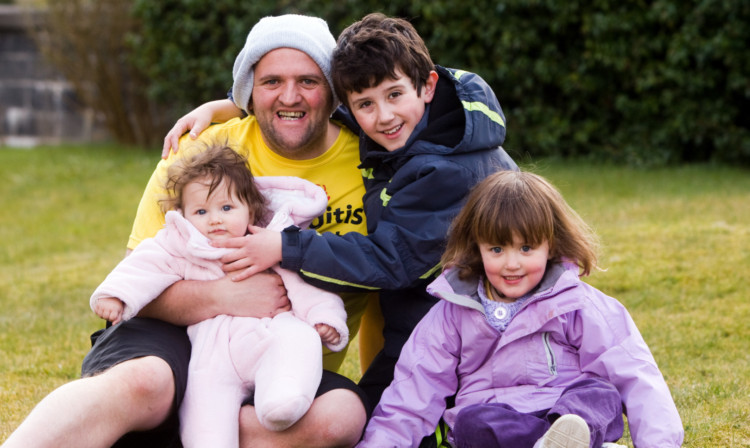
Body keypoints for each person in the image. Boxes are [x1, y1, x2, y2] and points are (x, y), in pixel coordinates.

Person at [2, 14, 368, 448]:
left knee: (342, 416)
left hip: (276, 355)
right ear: (249, 88)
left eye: (308, 80)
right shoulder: (199, 150)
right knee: (146, 381)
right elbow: (140, 275)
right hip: (169, 334)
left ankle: (159, 433)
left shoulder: (372, 163)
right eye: (271, 81)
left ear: (332, 87)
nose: (290, 96)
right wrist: (224, 297)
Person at [165, 13, 519, 413]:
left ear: (427, 86)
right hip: (429, 316)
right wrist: (227, 105)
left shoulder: (445, 169)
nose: (383, 116)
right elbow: (305, 103)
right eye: (365, 104)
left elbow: (392, 259)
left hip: (475, 331)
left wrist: (286, 246)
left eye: (394, 96)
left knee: (386, 423)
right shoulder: (418, 127)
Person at [356, 170, 685, 448]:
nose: (512, 264)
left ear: (550, 245)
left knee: (600, 394)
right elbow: (411, 395)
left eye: (526, 248)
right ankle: (546, 443)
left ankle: (563, 441)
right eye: (497, 249)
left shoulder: (578, 304)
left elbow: (636, 374)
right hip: (498, 422)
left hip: (566, 413)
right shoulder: (451, 314)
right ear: (477, 247)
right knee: (471, 421)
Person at [91, 143, 350, 447]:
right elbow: (142, 266)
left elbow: (306, 285)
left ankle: (283, 399)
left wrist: (325, 317)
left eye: (226, 208)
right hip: (211, 350)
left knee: (296, 340)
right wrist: (116, 295)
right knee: (204, 402)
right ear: (184, 216)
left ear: (251, 210)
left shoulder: (269, 242)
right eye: (201, 211)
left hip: (270, 332)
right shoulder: (179, 244)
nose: (214, 219)